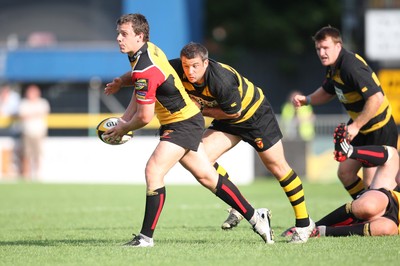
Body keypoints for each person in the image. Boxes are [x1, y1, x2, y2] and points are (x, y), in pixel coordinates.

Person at [103, 13, 273, 247]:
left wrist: (125, 127)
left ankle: (145, 238)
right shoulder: (147, 51)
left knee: (154, 170)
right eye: (118, 34)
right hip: (184, 120)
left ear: (139, 36)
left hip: (182, 123)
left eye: (124, 34)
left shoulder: (144, 66)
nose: (119, 39)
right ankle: (257, 217)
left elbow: (144, 116)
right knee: (207, 176)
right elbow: (141, 86)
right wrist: (123, 104)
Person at [166, 42, 315, 243]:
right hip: (228, 119)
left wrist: (200, 109)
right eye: (185, 66)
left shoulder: (222, 80)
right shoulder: (177, 68)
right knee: (198, 159)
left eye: (194, 66)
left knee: (278, 168)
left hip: (254, 116)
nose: (189, 71)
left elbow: (234, 112)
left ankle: (305, 224)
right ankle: (239, 205)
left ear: (206, 63)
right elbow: (148, 73)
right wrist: (122, 82)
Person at [292, 26, 399, 199]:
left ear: (338, 46)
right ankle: (364, 209)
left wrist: (355, 126)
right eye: (318, 49)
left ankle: (381, 217)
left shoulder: (350, 67)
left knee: (372, 184)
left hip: (379, 128)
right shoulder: (334, 66)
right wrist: (308, 100)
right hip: (362, 127)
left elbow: (376, 98)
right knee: (345, 173)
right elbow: (328, 91)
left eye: (325, 47)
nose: (321, 53)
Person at [314, 123, 399, 237]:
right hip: (393, 197)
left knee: (386, 228)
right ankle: (349, 151)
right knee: (392, 154)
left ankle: (320, 231)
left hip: (394, 221)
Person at [19, 84, 50, 180]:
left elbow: (43, 113)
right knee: (26, 155)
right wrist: (34, 114)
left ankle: (37, 175)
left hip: (39, 133)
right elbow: (23, 115)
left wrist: (31, 114)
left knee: (37, 155)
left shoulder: (42, 102)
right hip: (27, 132)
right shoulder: (24, 103)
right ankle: (26, 175)